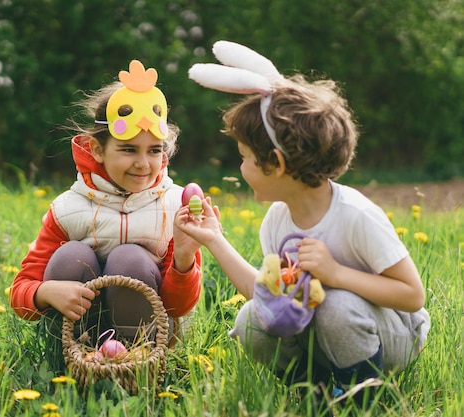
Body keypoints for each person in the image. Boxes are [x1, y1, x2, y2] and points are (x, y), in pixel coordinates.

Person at [179, 41, 430, 410]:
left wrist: (336, 274)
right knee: (251, 319)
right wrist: (214, 239)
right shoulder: (277, 220)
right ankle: (310, 393)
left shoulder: (355, 216)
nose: (240, 169)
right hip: (325, 332)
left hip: (391, 336)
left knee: (337, 305)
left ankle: (361, 395)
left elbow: (412, 296)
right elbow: (269, 297)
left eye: (245, 159)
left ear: (276, 163)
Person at [10, 59, 203, 361]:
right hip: (79, 327)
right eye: (128, 149)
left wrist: (184, 258)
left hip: (146, 330)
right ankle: (72, 355)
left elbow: (179, 307)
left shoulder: (173, 208)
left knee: (129, 257)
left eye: (154, 150)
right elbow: (20, 294)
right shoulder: (68, 209)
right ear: (97, 149)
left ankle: (136, 360)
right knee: (71, 255)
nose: (143, 164)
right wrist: (46, 292)